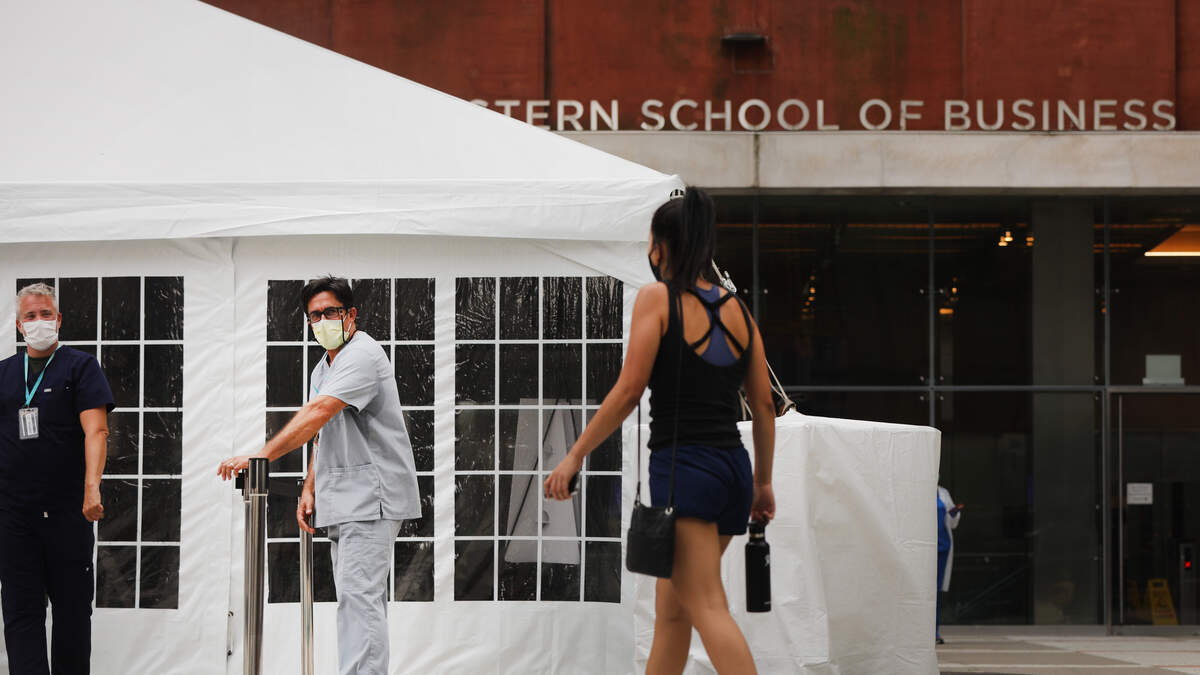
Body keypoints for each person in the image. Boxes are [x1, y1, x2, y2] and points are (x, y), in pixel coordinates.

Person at [545, 187, 776, 674]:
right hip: (733, 474)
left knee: (707, 605)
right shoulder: (739, 311)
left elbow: (630, 390)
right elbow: (762, 406)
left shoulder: (658, 299)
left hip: (686, 472)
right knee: (673, 613)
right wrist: (763, 483)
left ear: (662, 247)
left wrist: (575, 454)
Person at [218, 276, 420, 675]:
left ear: (351, 314)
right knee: (355, 600)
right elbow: (323, 433)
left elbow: (318, 413)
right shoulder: (323, 368)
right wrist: (311, 486)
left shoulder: (363, 355)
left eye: (331, 312)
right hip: (344, 496)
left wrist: (261, 456)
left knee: (360, 602)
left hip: (372, 496)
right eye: (315, 315)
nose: (323, 321)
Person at [0, 283, 113, 675]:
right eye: (30, 316)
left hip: (68, 511)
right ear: (19, 325)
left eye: (45, 314)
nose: (39, 322)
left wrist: (92, 486)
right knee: (21, 613)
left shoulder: (81, 366)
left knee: (72, 613)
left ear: (59, 319)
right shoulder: (4, 373)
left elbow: (96, 431)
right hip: (14, 515)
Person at [936, 484, 962, 645]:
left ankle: (934, 631)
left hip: (942, 547)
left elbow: (952, 523)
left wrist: (954, 513)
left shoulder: (943, 492)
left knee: (936, 591)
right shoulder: (916, 487)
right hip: (925, 548)